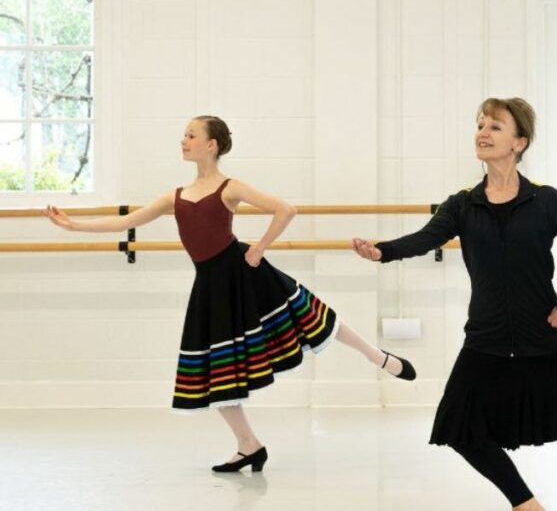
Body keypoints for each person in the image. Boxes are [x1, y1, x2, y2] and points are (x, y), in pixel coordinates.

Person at [44, 115, 416, 472]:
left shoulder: (229, 187)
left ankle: (378, 357)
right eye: (183, 134)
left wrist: (259, 249)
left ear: (211, 144)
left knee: (311, 315)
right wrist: (72, 225)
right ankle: (249, 446)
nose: (183, 140)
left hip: (243, 273)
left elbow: (285, 209)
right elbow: (126, 221)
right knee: (214, 371)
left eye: (191, 134)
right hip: (209, 287)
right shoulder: (175, 197)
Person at [352, 98, 557, 511]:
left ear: (519, 142)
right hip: (486, 337)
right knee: (458, 427)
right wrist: (383, 251)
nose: (482, 132)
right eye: (480, 125)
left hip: (543, 334)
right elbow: (426, 236)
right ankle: (527, 506)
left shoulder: (546, 202)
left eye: (495, 126)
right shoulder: (463, 205)